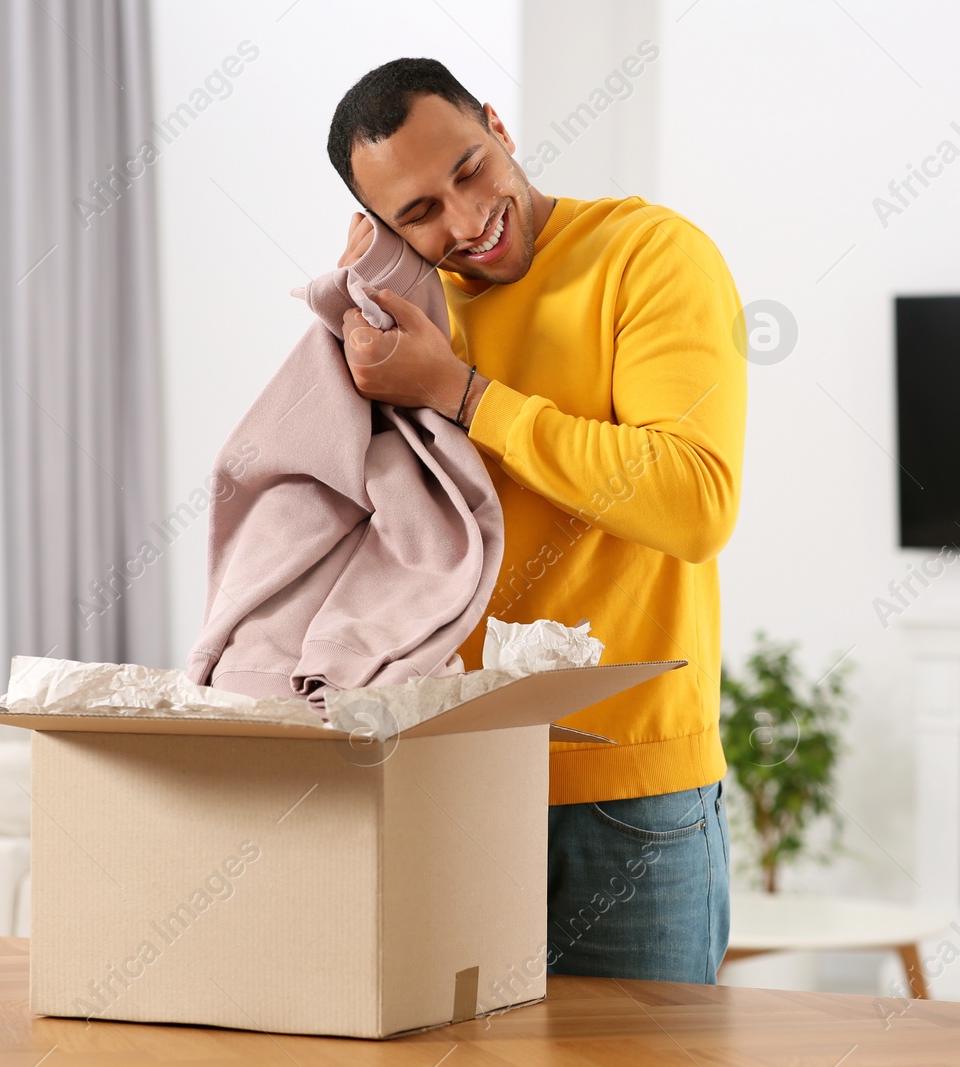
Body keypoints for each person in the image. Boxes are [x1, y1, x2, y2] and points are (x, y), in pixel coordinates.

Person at [325, 57, 746, 985]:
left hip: (630, 797)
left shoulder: (648, 254)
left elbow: (691, 502)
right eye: (419, 214)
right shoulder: (399, 322)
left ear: (499, 127)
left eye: (470, 170)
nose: (467, 221)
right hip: (449, 785)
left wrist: (462, 393)